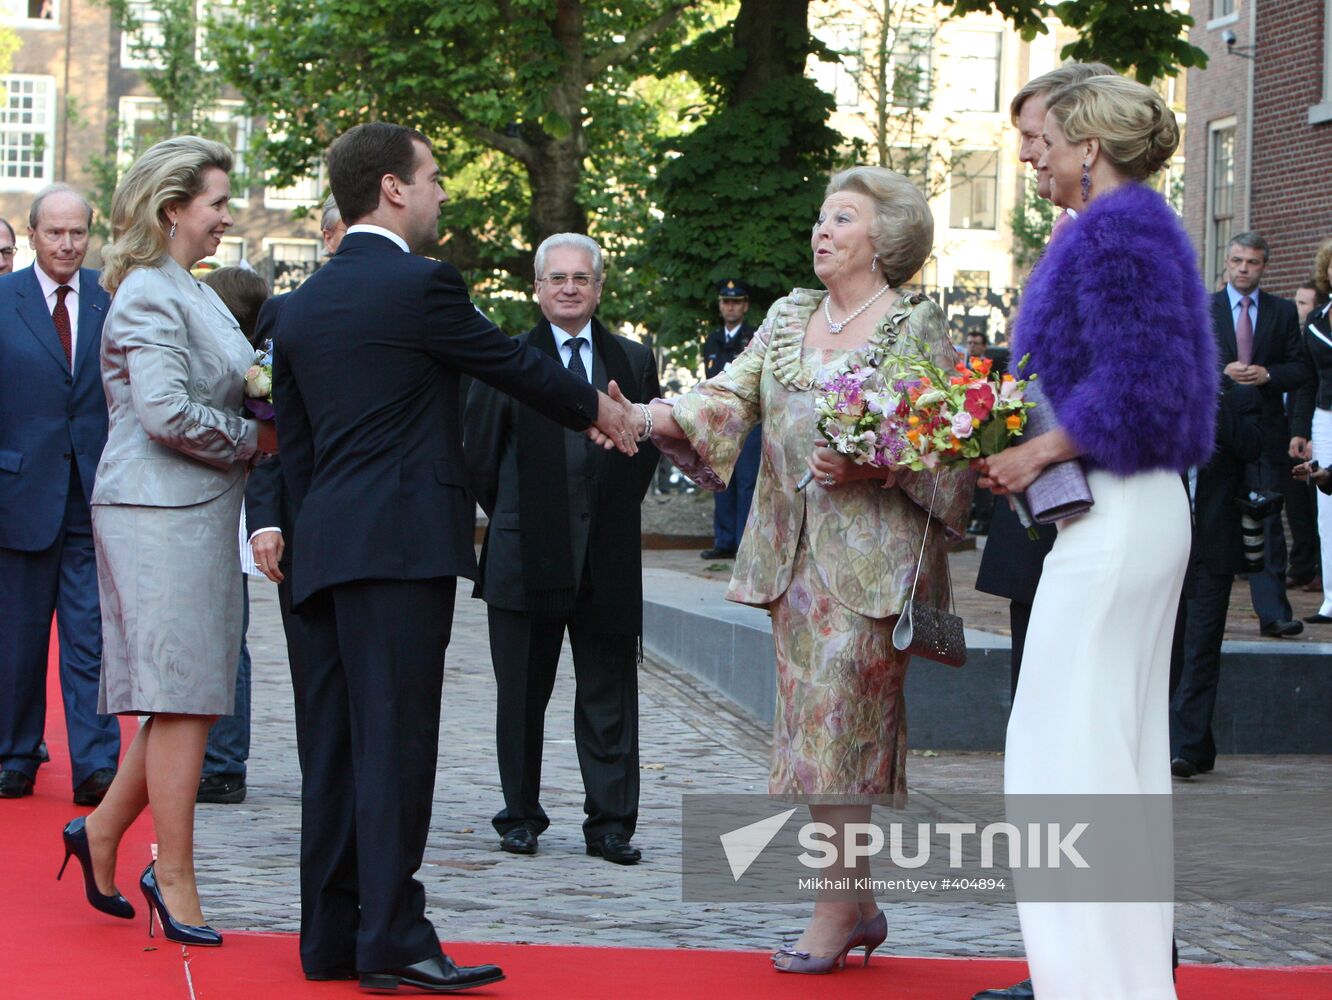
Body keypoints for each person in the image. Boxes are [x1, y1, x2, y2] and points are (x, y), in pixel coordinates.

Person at [271, 122, 637, 992]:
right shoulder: (424, 284)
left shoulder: (302, 304)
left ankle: (328, 936)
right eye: (432, 178)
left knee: (331, 747)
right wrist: (606, 412)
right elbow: (514, 365)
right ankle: (393, 937)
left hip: (323, 550)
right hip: (399, 550)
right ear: (393, 189)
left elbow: (297, 448)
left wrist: (301, 533)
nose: (441, 193)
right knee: (396, 745)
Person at [641, 165, 970, 974]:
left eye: (843, 218)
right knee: (811, 729)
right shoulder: (789, 318)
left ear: (885, 239)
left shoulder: (913, 325)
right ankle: (855, 903)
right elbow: (724, 398)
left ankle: (832, 907)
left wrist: (876, 467)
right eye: (822, 217)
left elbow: (954, 444)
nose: (823, 230)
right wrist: (640, 415)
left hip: (874, 566)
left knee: (836, 728)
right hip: (793, 563)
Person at [977, 75, 1217, 999]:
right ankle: (1111, 980)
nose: (1033, 153)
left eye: (1048, 139)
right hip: (1130, 513)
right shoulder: (1128, 227)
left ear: (1092, 147)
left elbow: (1144, 385)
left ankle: (1094, 983)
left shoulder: (1119, 230)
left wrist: (1036, 450)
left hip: (1117, 516)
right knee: (1105, 763)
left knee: (1065, 764)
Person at [62, 136, 276, 945]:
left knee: (187, 693)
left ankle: (103, 832)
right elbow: (165, 414)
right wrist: (256, 439)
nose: (227, 216)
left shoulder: (188, 290)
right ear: (172, 209)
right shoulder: (150, 293)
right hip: (156, 512)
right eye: (217, 202)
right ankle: (174, 874)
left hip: (190, 509)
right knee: (184, 698)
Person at [464, 233, 660, 864]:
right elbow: (482, 462)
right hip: (525, 554)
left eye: (581, 278)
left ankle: (610, 825)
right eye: (557, 278)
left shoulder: (631, 360)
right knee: (521, 695)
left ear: (599, 288)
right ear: (538, 288)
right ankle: (520, 815)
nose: (569, 288)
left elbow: (644, 452)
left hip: (606, 556)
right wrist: (526, 517)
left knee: (609, 695)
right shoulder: (506, 359)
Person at [0, 185, 121, 804]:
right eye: (55, 233)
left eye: (78, 233)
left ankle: (96, 763)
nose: (68, 245)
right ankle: (14, 754)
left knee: (89, 636)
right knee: (16, 637)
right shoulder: (3, 300)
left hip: (93, 494)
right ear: (32, 235)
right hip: (18, 492)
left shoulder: (113, 297)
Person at [246, 195, 345, 773]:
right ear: (327, 238)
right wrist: (266, 517)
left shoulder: (421, 298)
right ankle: (324, 784)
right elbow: (268, 422)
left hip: (384, 520)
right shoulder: (286, 312)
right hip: (304, 522)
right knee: (312, 664)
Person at [194, 265, 271, 805]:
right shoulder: (260, 366)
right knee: (229, 637)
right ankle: (222, 759)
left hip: (221, 505)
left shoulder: (228, 367)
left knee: (217, 635)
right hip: (245, 505)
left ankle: (219, 759)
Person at [1211, 233, 1307, 638]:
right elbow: (1185, 363)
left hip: (1266, 431)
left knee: (1266, 518)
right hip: (1216, 430)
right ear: (1227, 264)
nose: (1243, 268)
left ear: (1263, 265)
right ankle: (1198, 605)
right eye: (1236, 261)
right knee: (1212, 515)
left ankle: (1272, 613)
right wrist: (1222, 375)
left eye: (1251, 262)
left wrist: (1268, 375)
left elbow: (1301, 369)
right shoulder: (1205, 308)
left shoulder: (1282, 312)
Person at [1169, 381, 1264, 779]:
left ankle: (1186, 749)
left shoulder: (1234, 397)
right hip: (1165, 542)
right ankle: (1193, 742)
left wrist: (1214, 403)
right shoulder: (1161, 393)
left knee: (1202, 647)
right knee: (1170, 647)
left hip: (1214, 542)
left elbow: (1252, 447)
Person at [700, 280, 759, 560]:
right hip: (719, 421)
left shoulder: (754, 338)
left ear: (745, 306)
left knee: (746, 481)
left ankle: (742, 542)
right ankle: (724, 540)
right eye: (726, 302)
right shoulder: (712, 340)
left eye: (736, 302)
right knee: (720, 479)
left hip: (747, 421)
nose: (730, 306)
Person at [1291, 242, 1332, 624]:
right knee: (1326, 509)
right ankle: (1331, 599)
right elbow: (1306, 379)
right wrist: (1300, 430)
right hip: (1324, 416)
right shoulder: (1318, 318)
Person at [1284, 282, 1324, 594]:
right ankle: (1316, 578)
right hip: (1313, 421)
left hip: (1322, 421)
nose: (1300, 310)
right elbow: (1306, 384)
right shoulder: (1312, 326)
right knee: (1309, 505)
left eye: (1303, 303)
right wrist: (1300, 429)